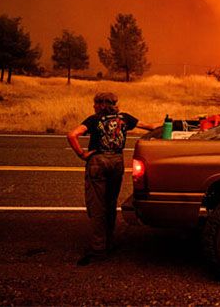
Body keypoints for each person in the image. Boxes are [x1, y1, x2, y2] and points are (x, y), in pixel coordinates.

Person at [67, 92, 158, 266]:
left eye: (95, 103)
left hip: (98, 161)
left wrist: (82, 154)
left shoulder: (93, 120)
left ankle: (98, 249)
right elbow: (151, 126)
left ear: (100, 104)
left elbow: (72, 135)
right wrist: (172, 123)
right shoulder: (124, 118)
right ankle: (109, 242)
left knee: (97, 206)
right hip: (117, 161)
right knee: (110, 203)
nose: (93, 106)